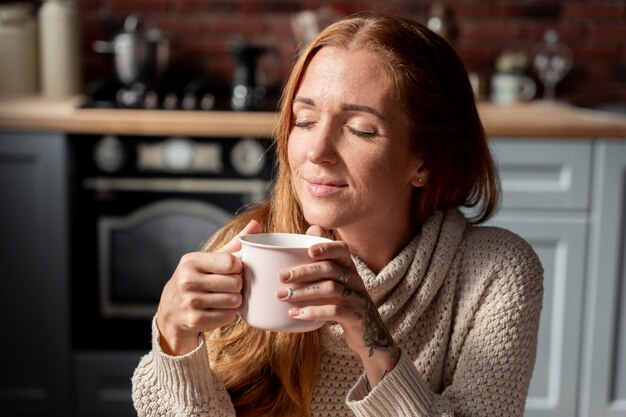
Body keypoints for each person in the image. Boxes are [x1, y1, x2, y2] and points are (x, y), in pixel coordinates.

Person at [132, 14, 543, 417]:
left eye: (361, 129)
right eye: (305, 120)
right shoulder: (244, 250)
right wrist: (175, 342)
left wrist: (372, 339)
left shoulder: (496, 272)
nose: (316, 151)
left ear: (426, 160)